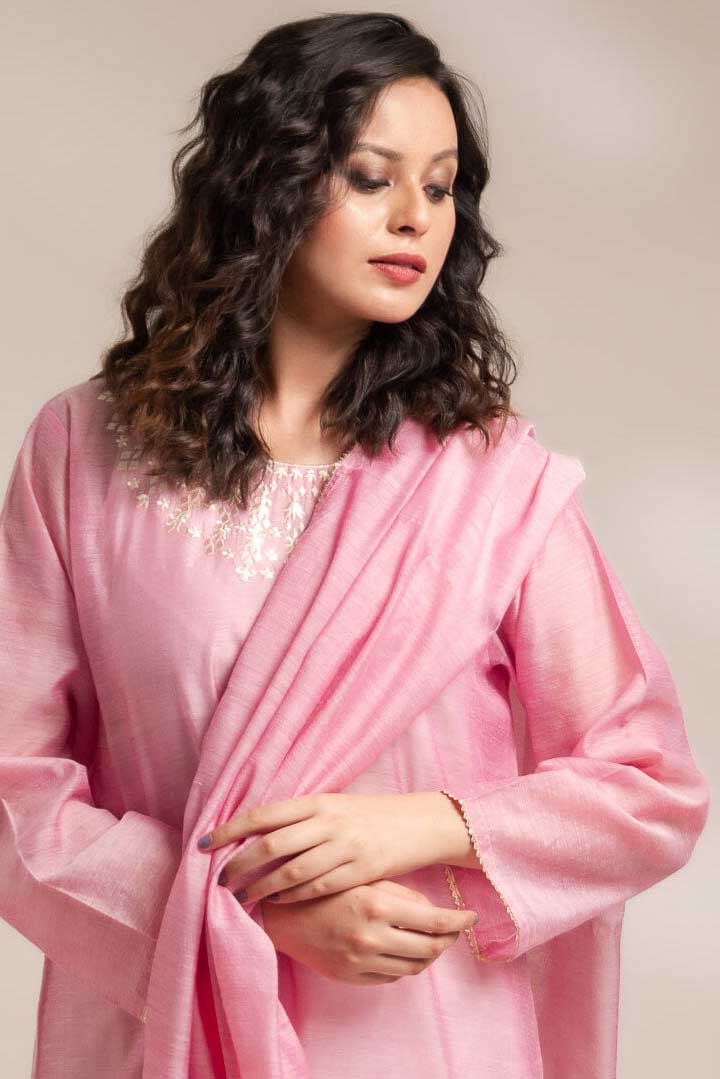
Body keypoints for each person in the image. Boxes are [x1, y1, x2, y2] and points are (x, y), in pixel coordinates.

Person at [0, 12, 709, 1079]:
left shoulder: (487, 483)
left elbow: (648, 786)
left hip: (426, 1037)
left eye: (441, 186)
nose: (416, 216)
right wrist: (243, 913)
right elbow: (14, 787)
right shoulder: (81, 450)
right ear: (268, 185)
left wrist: (424, 825)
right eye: (372, 177)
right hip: (164, 1036)